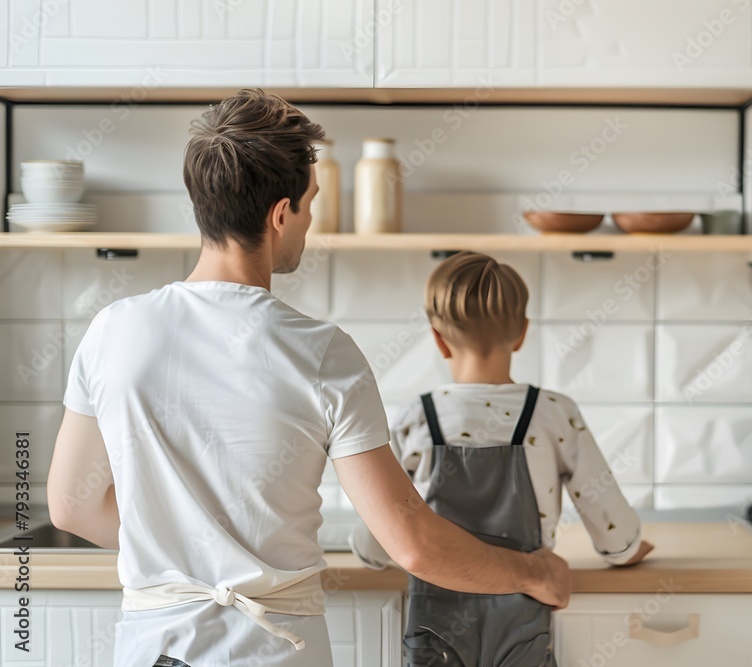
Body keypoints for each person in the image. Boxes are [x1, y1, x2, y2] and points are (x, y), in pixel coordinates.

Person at [45, 89, 570, 667]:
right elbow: (413, 544)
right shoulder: (323, 353)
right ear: (279, 214)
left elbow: (71, 506)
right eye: (310, 202)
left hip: (154, 649)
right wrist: (532, 570)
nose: (311, 219)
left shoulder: (113, 330)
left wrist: (189, 549)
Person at [351, 251, 654, 667]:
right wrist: (631, 548)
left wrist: (362, 549)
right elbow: (615, 536)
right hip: (523, 630)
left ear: (438, 339)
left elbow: (374, 548)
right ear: (522, 333)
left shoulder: (417, 417)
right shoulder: (553, 412)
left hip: (434, 635)